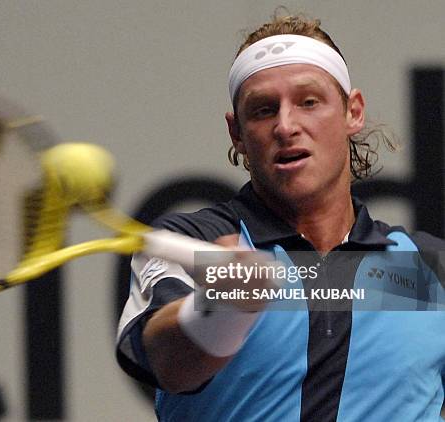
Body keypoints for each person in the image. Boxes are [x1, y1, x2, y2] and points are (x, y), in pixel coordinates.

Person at [116, 14, 445, 421]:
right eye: (263, 110)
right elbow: (169, 366)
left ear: (353, 112)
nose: (286, 126)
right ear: (237, 133)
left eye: (309, 101)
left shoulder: (429, 269)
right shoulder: (194, 243)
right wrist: (220, 308)